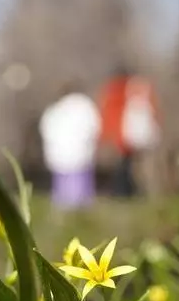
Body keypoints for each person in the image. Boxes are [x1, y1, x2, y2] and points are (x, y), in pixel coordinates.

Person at [97, 66, 160, 198]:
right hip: (136, 135)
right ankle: (131, 192)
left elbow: (109, 113)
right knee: (131, 166)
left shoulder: (117, 90)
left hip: (123, 135)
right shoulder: (140, 89)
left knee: (124, 166)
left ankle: (124, 192)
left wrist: (106, 133)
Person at [39, 87, 101, 210]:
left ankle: (64, 210)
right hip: (79, 153)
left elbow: (45, 129)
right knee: (79, 189)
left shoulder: (55, 109)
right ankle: (79, 211)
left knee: (63, 188)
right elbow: (94, 126)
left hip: (60, 154)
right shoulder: (85, 106)